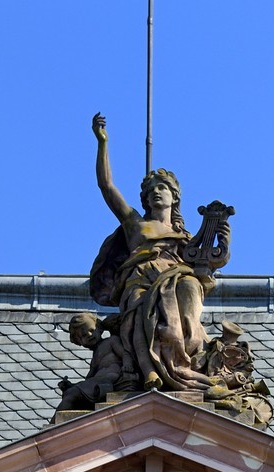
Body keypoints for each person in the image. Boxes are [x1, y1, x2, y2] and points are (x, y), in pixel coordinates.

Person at [89, 113, 211, 394]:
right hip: (140, 280)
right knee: (142, 315)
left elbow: (206, 268)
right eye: (150, 190)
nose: (156, 192)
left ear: (174, 196)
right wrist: (102, 143)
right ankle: (149, 371)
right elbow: (107, 187)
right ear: (144, 199)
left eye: (162, 188)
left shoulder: (186, 237)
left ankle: (186, 355)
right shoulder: (135, 224)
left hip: (175, 278)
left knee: (190, 285)